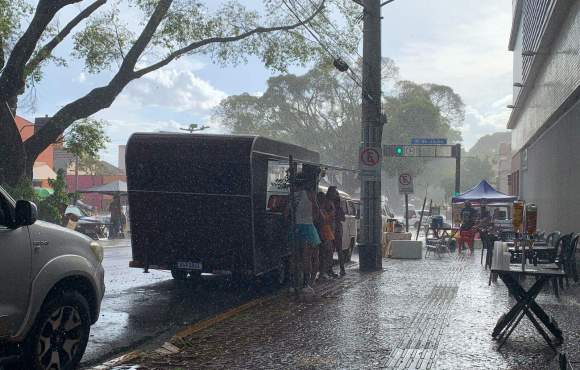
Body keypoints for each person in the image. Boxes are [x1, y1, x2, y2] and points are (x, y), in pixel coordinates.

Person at [287, 177, 320, 294]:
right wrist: (312, 219)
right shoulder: (310, 194)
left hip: (295, 228)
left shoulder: (292, 196)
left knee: (294, 257)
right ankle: (305, 284)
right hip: (307, 227)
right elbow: (316, 210)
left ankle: (292, 285)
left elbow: (286, 213)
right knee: (307, 257)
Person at [327, 186, 346, 276]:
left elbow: (343, 217)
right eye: (334, 192)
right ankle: (330, 269)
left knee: (337, 249)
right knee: (331, 250)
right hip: (331, 227)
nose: (335, 194)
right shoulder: (328, 203)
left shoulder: (337, 204)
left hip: (336, 228)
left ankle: (341, 268)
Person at [317, 192, 335, 280]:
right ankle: (322, 273)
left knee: (326, 253)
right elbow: (324, 220)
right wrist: (331, 215)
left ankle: (323, 272)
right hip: (324, 233)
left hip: (326, 233)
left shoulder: (322, 209)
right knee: (324, 254)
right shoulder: (319, 209)